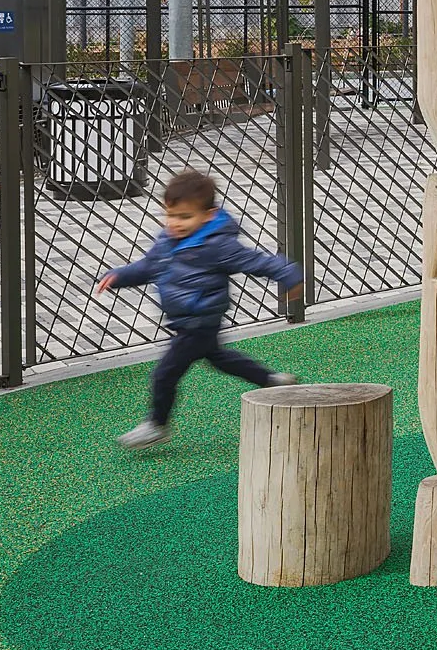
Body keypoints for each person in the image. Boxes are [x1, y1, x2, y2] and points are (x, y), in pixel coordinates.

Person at [96, 168, 303, 449]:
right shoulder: (167, 241)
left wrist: (289, 275)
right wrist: (120, 276)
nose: (175, 223)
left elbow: (257, 261)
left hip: (199, 321)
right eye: (170, 215)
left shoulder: (217, 245)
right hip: (186, 320)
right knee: (220, 357)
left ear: (208, 215)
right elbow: (149, 267)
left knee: (165, 373)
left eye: (185, 217)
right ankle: (270, 379)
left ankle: (157, 425)